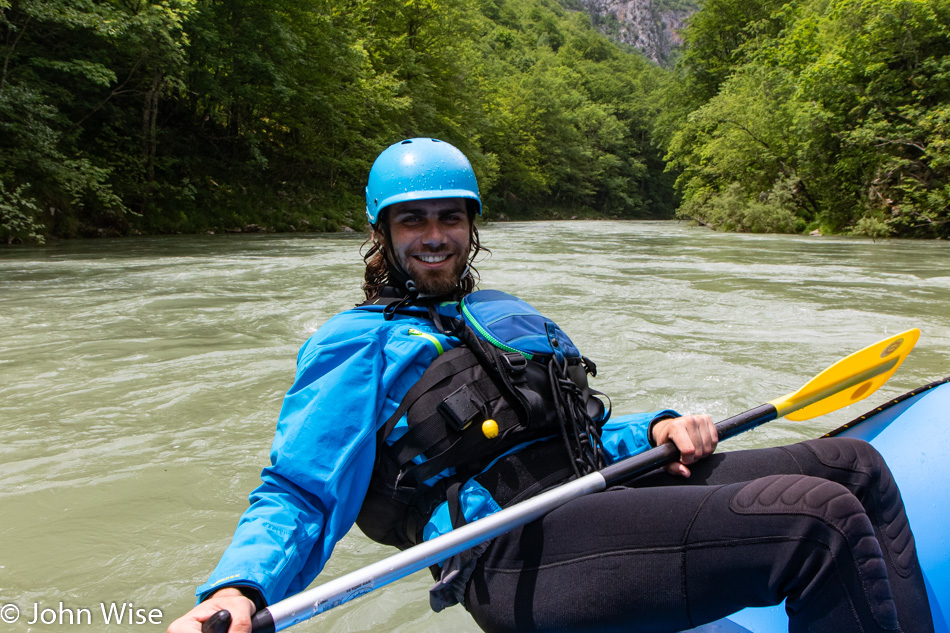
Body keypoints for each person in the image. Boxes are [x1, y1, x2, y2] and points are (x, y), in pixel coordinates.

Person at [169, 138, 935, 633]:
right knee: (820, 519)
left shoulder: (513, 315)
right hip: (508, 558)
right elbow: (298, 489)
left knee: (857, 469)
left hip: (598, 495)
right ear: (384, 235)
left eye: (449, 218)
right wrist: (240, 585)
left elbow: (582, 431)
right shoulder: (353, 346)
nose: (434, 235)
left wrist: (660, 428)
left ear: (472, 226)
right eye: (412, 222)